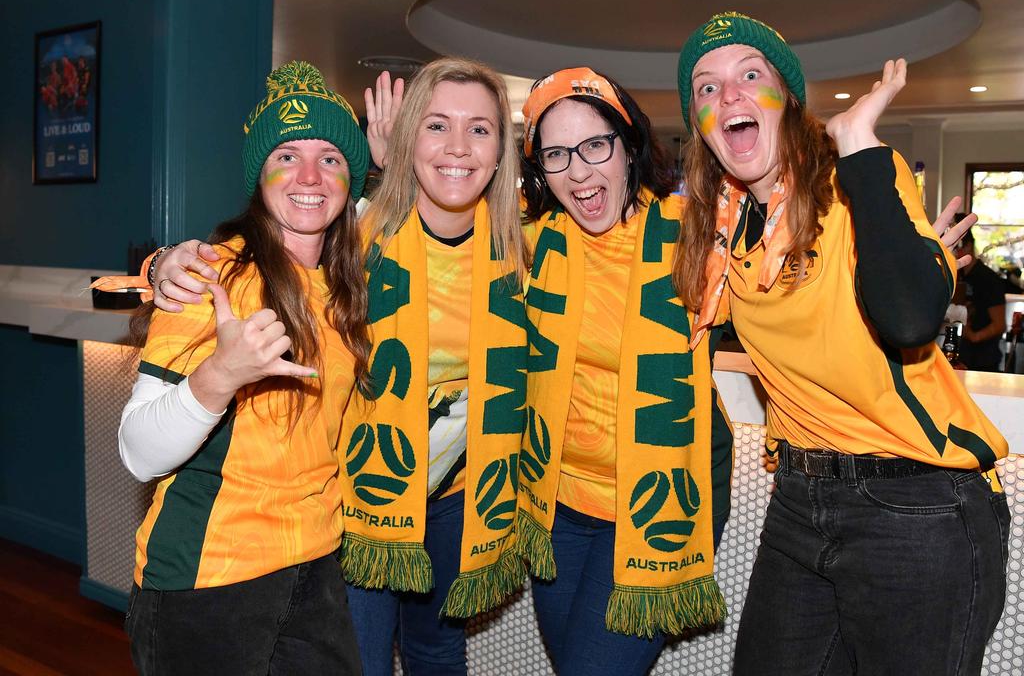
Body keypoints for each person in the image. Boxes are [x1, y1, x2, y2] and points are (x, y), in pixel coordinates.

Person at [150, 57, 530, 676]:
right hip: (362, 495)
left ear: (500, 149)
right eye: (435, 125)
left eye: (479, 129)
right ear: (409, 142)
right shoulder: (359, 232)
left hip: (464, 497)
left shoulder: (523, 253)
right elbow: (269, 244)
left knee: (439, 651)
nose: (458, 146)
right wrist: (166, 262)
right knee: (363, 662)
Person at [674, 12, 1010, 675]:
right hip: (799, 500)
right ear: (699, 124)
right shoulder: (719, 232)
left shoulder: (854, 186)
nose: (730, 97)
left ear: (788, 100)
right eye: (707, 88)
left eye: (750, 76)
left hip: (918, 505)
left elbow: (911, 320)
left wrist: (857, 142)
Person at [116, 61, 371, 674]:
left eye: (331, 157)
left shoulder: (349, 282)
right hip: (207, 578)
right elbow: (138, 452)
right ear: (260, 174)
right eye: (287, 155)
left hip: (315, 567)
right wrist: (220, 377)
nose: (310, 176)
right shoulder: (211, 276)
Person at [515, 67, 733, 676]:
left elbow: (791, 287)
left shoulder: (695, 234)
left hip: (658, 504)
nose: (579, 172)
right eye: (556, 154)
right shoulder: (534, 239)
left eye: (594, 146)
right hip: (556, 505)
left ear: (629, 144)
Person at [954, 220, 1007, 371]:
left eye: (957, 248)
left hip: (984, 360)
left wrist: (973, 336)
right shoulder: (961, 276)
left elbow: (999, 324)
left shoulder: (988, 279)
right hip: (965, 357)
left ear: (969, 246)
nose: (955, 253)